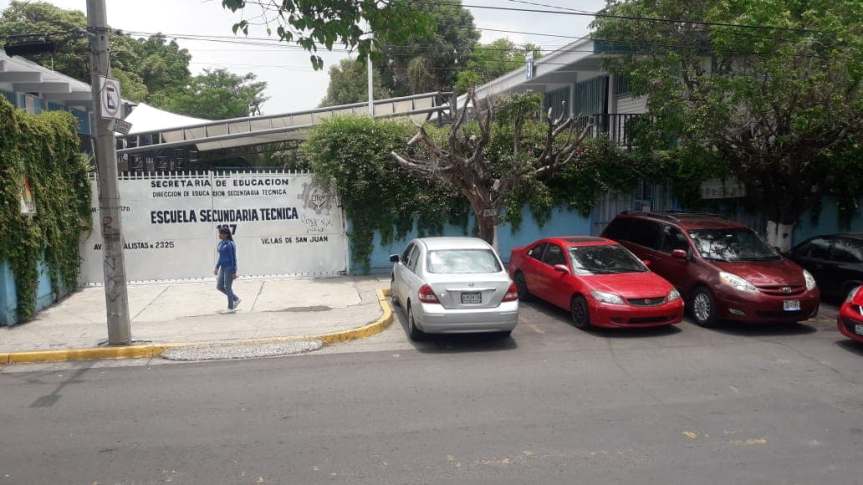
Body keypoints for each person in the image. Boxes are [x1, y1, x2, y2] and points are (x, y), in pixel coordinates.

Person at [214, 227, 241, 312]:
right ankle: (236, 299)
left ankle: (230, 307)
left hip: (229, 267)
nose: (219, 235)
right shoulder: (221, 243)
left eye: (220, 233)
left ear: (225, 235)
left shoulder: (230, 244)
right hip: (223, 267)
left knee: (227, 287)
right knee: (219, 286)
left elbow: (233, 258)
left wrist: (234, 271)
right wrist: (217, 267)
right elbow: (221, 257)